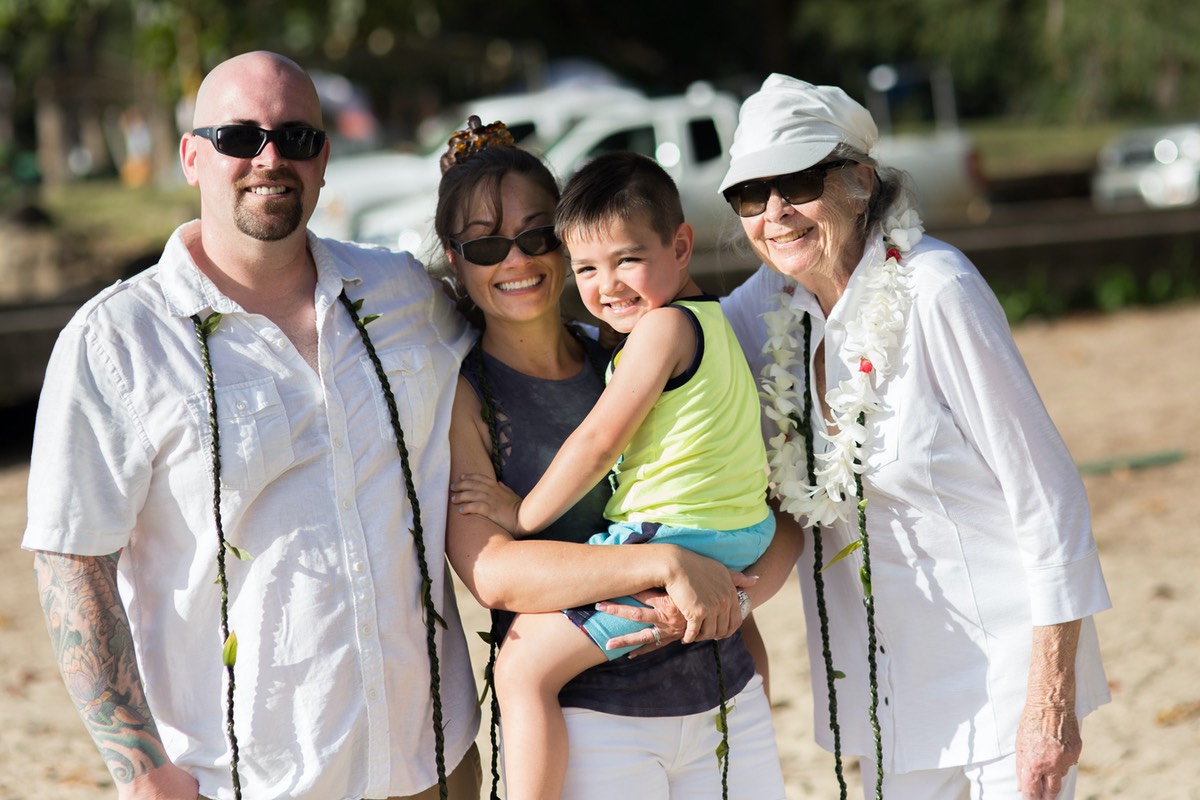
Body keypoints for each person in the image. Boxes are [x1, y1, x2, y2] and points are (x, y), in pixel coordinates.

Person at [23, 51, 482, 800]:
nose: (270, 158)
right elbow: (72, 560)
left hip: (431, 760)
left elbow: (527, 350)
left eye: (297, 137)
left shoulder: (404, 294)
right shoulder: (118, 341)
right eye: (240, 137)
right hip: (248, 781)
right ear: (191, 157)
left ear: (323, 160)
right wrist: (141, 770)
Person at [715, 73, 1112, 800]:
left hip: (1007, 689)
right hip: (885, 704)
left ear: (860, 182)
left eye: (797, 182)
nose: (774, 213)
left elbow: (1049, 495)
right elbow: (665, 338)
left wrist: (1049, 700)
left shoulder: (939, 289)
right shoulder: (767, 309)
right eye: (749, 194)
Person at [435, 125, 788, 800]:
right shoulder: (466, 395)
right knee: (522, 668)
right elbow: (495, 574)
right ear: (456, 260)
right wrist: (666, 565)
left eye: (537, 234)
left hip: (726, 693)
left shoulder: (630, 343)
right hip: (597, 724)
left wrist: (729, 598)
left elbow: (770, 517)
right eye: (486, 244)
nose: (517, 258)